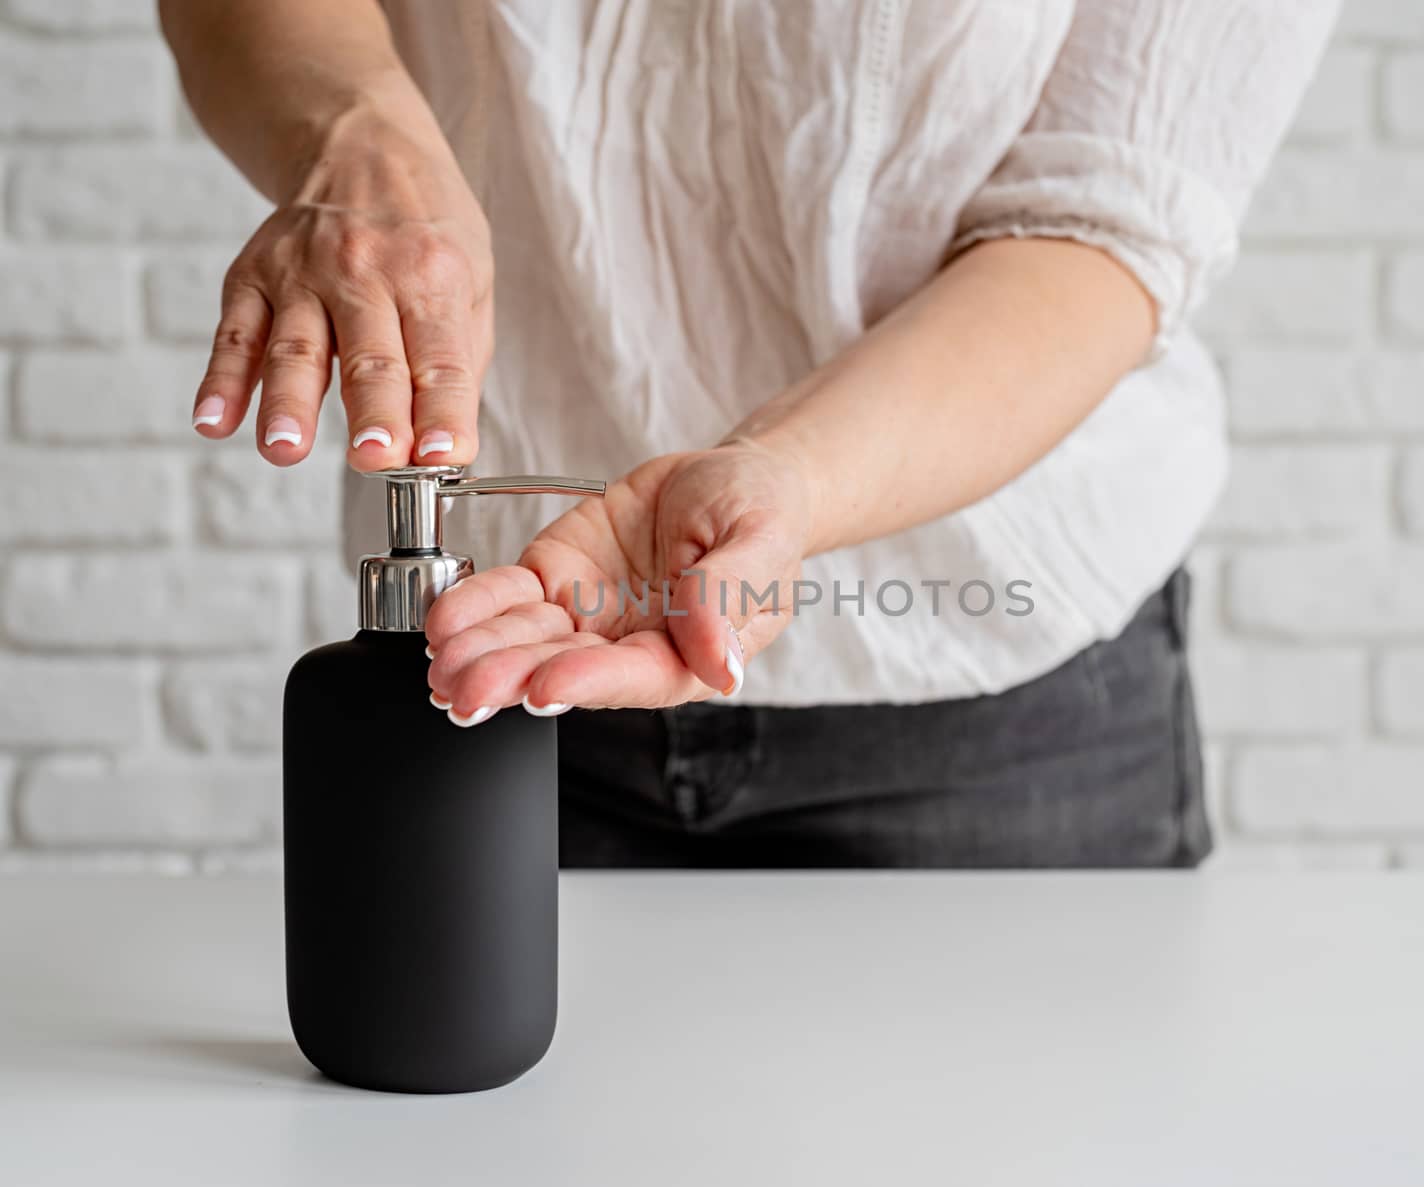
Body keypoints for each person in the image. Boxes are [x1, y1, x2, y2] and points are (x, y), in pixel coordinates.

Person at [161, 0, 1337, 868]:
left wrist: (787, 477)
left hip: (997, 685)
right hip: (499, 656)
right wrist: (357, 131)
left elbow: (1103, 231)